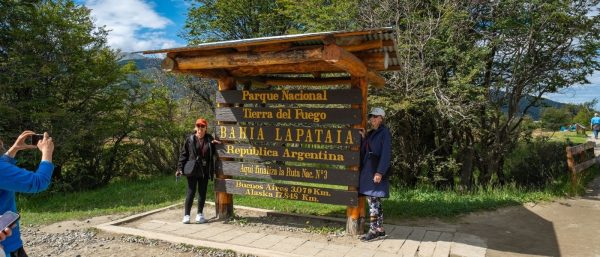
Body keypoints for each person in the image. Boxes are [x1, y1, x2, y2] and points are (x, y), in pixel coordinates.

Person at [0, 131, 54, 257]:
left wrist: (14, 149)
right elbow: (38, 182)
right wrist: (47, 152)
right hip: (6, 247)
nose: (1, 141)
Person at [176, 118, 220, 224]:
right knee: (190, 192)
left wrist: (218, 145)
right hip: (192, 169)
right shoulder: (190, 139)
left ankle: (199, 215)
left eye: (202, 126)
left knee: (202, 192)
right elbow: (184, 155)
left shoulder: (209, 139)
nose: (200, 128)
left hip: (204, 170)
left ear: (206, 128)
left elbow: (213, 153)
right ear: (195, 127)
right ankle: (186, 215)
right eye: (198, 126)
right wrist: (179, 168)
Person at [358, 107, 392, 242]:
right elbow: (366, 150)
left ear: (381, 119)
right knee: (375, 199)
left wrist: (380, 172)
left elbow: (386, 154)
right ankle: (380, 229)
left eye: (375, 117)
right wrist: (364, 137)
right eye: (371, 116)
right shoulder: (373, 133)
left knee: (372, 200)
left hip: (376, 171)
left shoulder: (385, 133)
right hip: (369, 170)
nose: (372, 119)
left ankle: (373, 231)